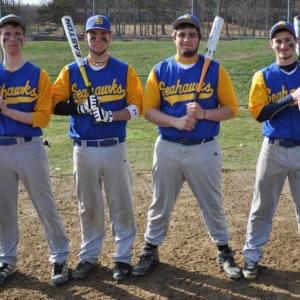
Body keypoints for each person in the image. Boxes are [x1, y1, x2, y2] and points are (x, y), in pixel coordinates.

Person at [132, 14, 241, 280]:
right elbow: (148, 110)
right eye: (181, 34)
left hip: (204, 148)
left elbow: (231, 110)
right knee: (160, 202)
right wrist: (176, 122)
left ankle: (224, 250)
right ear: (174, 37)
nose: (186, 39)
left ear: (199, 39)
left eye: (192, 34)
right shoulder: (161, 70)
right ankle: (150, 248)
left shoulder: (215, 69)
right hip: (168, 146)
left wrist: (204, 114)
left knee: (211, 203)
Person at [52, 15, 142, 282]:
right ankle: (89, 256)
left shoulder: (124, 70)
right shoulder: (71, 70)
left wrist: (111, 116)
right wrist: (78, 108)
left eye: (103, 35)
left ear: (110, 37)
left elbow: (137, 107)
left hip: (114, 146)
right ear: (86, 38)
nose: (98, 39)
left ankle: (122, 257)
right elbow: (53, 104)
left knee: (121, 203)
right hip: (83, 147)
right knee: (87, 205)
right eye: (93, 35)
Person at [0, 14, 69, 286]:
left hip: (29, 147)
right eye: (6, 35)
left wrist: (7, 110)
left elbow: (42, 118)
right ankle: (6, 259)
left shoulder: (37, 74)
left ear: (24, 39)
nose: (12, 39)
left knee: (45, 204)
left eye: (17, 34)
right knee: (3, 208)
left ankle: (60, 256)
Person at [242, 21, 300, 280]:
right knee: (262, 207)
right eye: (278, 41)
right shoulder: (263, 75)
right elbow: (259, 113)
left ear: (295, 42)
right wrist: (291, 98)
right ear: (271, 44)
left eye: (288, 40)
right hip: (273, 148)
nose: (284, 46)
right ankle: (251, 257)